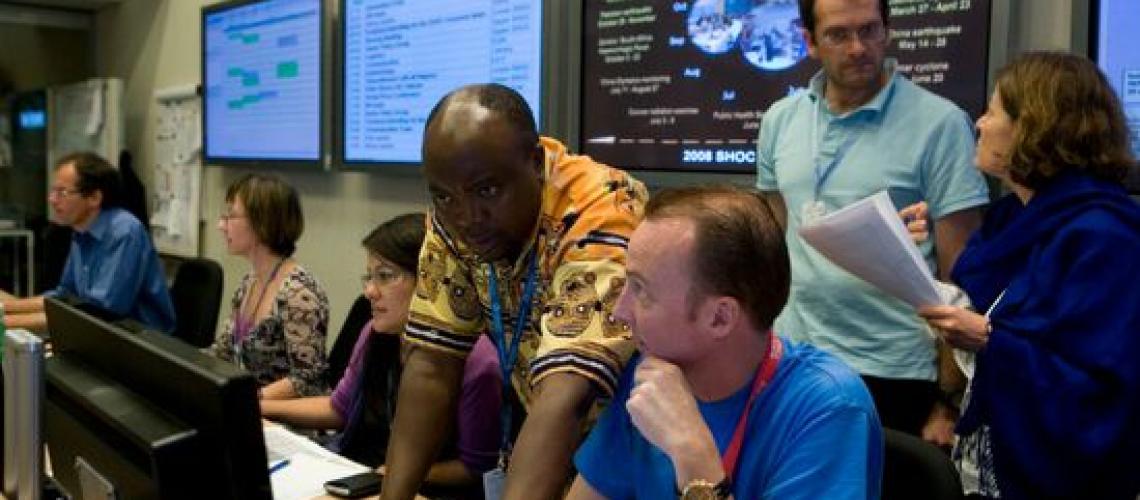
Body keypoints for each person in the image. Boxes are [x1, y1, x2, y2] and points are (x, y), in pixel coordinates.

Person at [380, 84, 647, 500]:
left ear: (536, 163)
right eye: (444, 197)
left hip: (634, 457)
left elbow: (567, 393)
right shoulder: (454, 216)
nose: (467, 218)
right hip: (552, 453)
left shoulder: (600, 206)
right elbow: (432, 367)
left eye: (487, 191)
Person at [755, 0, 989, 441]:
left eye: (870, 31)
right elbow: (772, 245)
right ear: (809, 42)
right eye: (839, 35)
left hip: (894, 370)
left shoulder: (939, 124)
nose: (859, 47)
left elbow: (960, 275)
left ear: (887, 31)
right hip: (794, 357)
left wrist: (947, 400)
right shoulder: (779, 121)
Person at [914, 52, 1140, 500]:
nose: (978, 123)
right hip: (987, 466)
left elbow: (1099, 391)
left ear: (1035, 127)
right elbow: (976, 302)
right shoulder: (1010, 220)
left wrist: (989, 341)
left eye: (994, 111)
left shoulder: (1105, 237)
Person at [568, 185, 882, 500]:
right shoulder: (650, 374)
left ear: (720, 317)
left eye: (641, 290)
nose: (620, 311)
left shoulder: (828, 407)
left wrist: (693, 454)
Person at [261, 214, 501, 496]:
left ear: (428, 280)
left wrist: (395, 471)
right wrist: (261, 408)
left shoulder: (479, 362)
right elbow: (339, 409)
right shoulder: (374, 334)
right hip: (362, 473)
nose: (369, 292)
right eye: (369, 277)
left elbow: (475, 468)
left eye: (385, 276)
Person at [0, 152, 175, 333]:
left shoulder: (124, 232)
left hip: (140, 341)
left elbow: (100, 312)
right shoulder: (81, 230)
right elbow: (64, 296)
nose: (52, 200)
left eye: (62, 192)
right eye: (53, 191)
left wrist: (6, 323)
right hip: (101, 331)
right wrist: (7, 308)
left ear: (94, 198)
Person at [210, 174, 329, 398]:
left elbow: (307, 380)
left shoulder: (298, 292)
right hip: (249, 412)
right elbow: (223, 353)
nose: (220, 225)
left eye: (230, 216)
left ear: (262, 222)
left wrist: (248, 400)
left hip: (283, 421)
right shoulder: (249, 282)